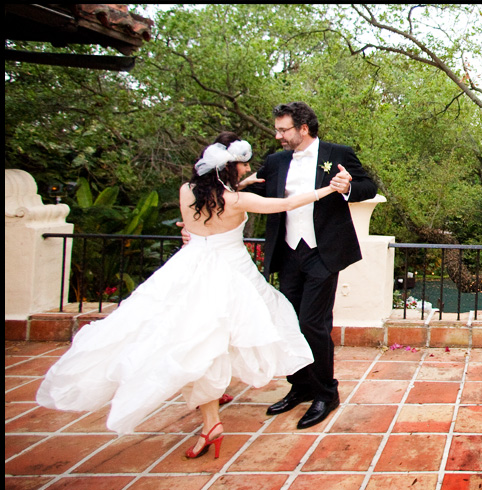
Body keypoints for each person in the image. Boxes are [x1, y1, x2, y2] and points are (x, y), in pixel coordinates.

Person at [36, 132, 335, 459]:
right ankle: (211, 421)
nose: (246, 167)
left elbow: (201, 218)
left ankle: (213, 402)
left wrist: (242, 183)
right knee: (225, 333)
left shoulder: (187, 191)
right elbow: (287, 203)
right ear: (229, 168)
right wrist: (327, 189)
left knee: (191, 334)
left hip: (189, 266)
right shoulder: (236, 201)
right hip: (230, 272)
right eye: (242, 164)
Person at [241, 101, 377, 429]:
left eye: (283, 129)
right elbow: (248, 187)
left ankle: (326, 393)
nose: (278, 136)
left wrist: (348, 189)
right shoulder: (275, 162)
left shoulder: (337, 153)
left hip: (323, 252)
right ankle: (299, 386)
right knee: (289, 322)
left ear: (303, 128)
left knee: (312, 323)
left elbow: (368, 186)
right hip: (288, 253)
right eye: (277, 129)